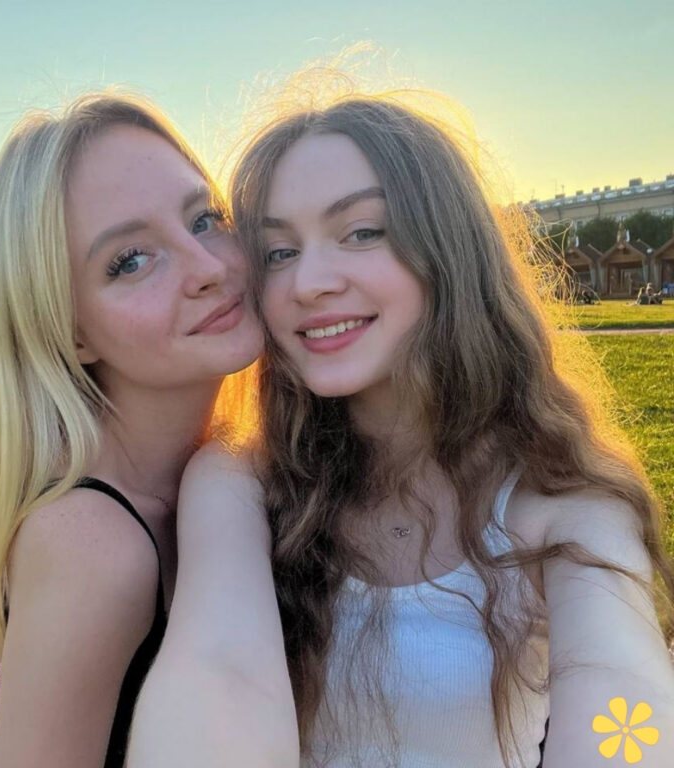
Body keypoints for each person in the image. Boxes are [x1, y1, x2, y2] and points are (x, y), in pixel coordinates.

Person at [224, 92, 674, 767]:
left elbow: (623, 696)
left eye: (363, 231)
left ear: (448, 249)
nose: (308, 282)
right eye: (278, 252)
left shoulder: (560, 499)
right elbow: (209, 672)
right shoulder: (247, 486)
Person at [0, 92, 296, 768]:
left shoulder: (235, 460)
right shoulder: (93, 545)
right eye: (130, 260)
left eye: (205, 218)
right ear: (68, 329)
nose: (209, 269)